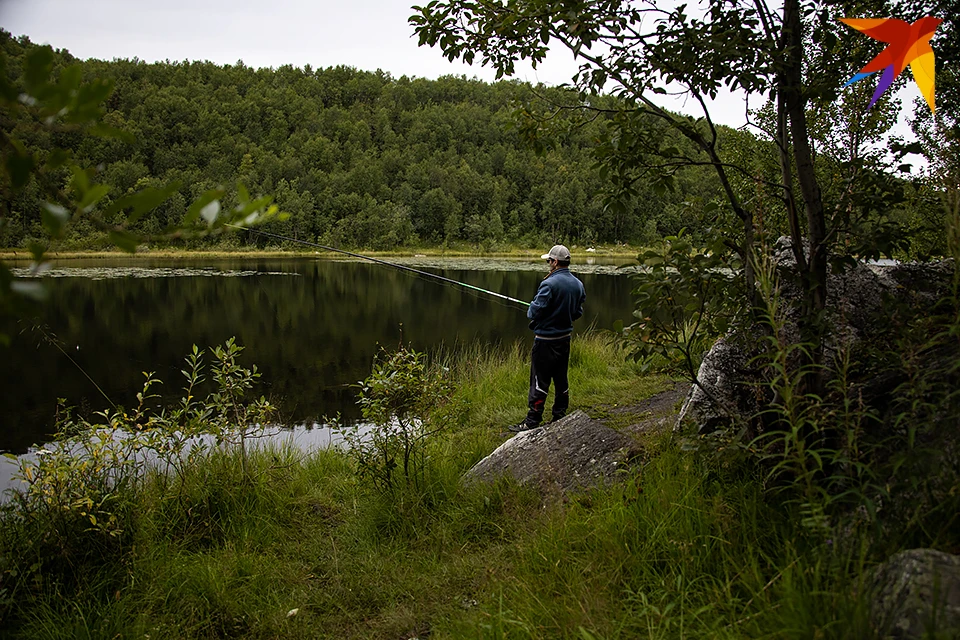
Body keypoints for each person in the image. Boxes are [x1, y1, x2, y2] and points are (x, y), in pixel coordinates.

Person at [509, 244, 586, 432]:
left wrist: (534, 307)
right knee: (561, 378)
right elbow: (577, 312)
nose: (548, 264)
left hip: (545, 341)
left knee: (539, 379)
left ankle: (532, 420)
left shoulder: (548, 284)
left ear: (556, 262)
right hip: (564, 339)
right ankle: (560, 415)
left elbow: (533, 312)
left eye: (549, 261)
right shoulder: (578, 284)